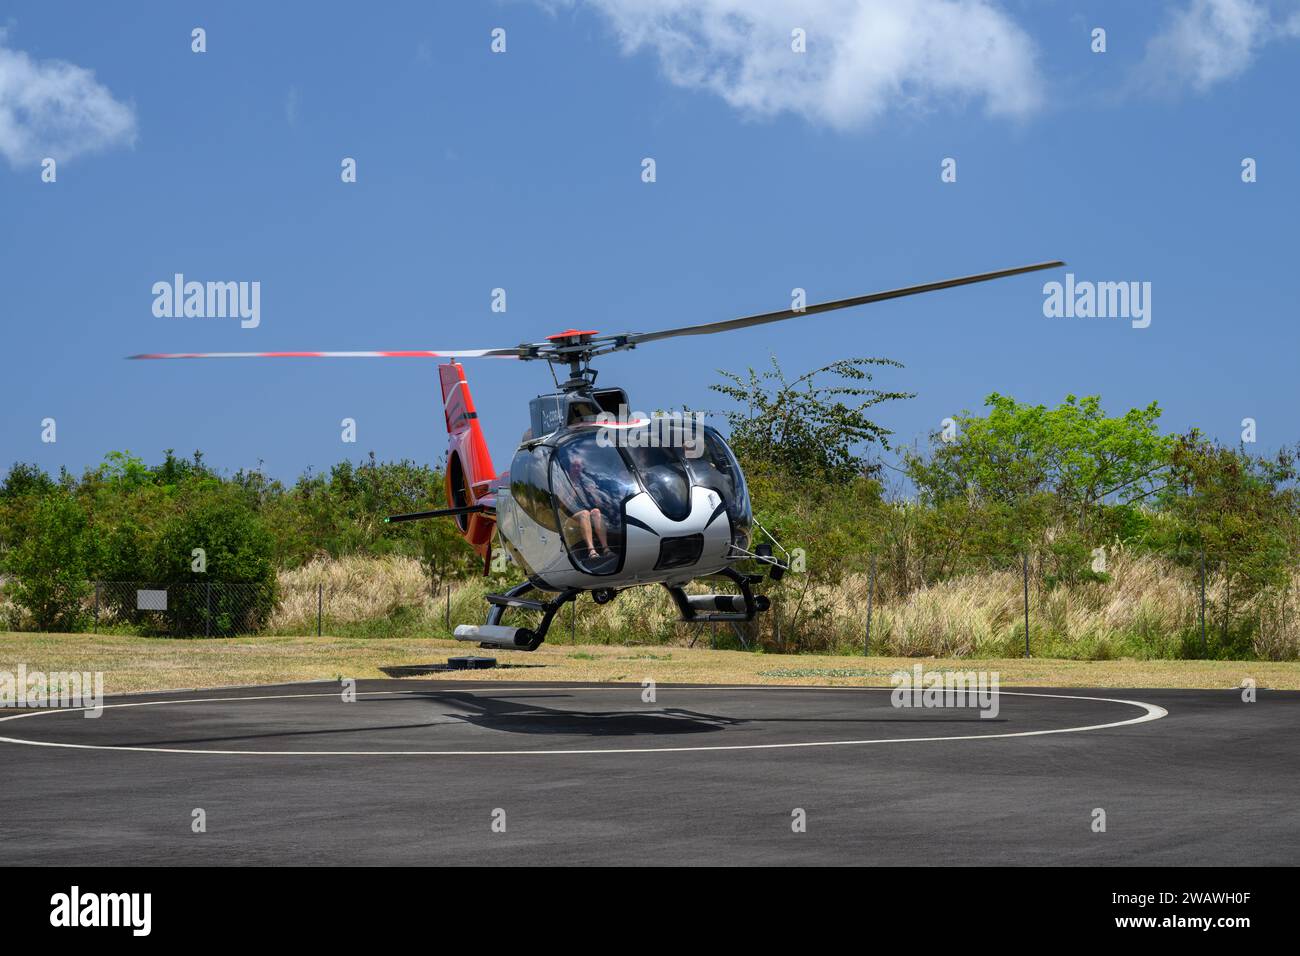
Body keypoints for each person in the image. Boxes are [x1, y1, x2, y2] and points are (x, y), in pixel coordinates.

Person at [561, 453, 613, 560]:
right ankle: (591, 550)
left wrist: (594, 494)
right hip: (569, 515)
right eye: (573, 466)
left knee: (596, 511)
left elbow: (597, 502)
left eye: (578, 466)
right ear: (569, 467)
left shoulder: (584, 482)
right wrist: (571, 494)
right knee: (585, 513)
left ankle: (606, 549)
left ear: (582, 468)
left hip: (586, 512)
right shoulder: (565, 482)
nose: (576, 468)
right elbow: (561, 505)